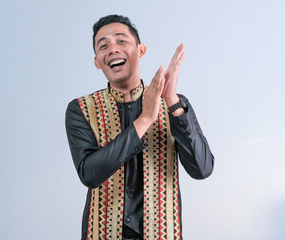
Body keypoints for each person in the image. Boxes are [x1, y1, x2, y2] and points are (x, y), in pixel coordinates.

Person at [65, 14, 214, 240]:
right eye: (103, 46)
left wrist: (172, 101)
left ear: (141, 50)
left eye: (121, 41)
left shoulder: (173, 104)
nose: (113, 49)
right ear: (97, 61)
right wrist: (144, 120)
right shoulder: (81, 109)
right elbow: (89, 173)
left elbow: (202, 169)